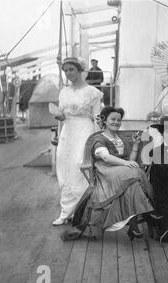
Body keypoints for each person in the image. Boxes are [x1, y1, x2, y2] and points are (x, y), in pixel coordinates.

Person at [60, 107, 154, 240]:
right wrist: (126, 163)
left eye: (119, 120)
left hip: (122, 173)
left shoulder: (120, 138)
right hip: (105, 172)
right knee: (135, 172)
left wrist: (135, 145)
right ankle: (149, 208)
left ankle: (133, 223)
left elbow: (130, 161)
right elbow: (106, 157)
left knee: (132, 180)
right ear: (105, 120)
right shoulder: (99, 138)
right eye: (113, 119)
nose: (116, 122)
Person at [52, 57, 103, 226]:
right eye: (65, 70)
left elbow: (97, 117)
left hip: (83, 130)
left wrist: (96, 140)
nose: (68, 73)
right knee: (64, 166)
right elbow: (61, 116)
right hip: (67, 131)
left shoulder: (92, 92)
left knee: (79, 166)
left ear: (80, 70)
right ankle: (66, 212)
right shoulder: (64, 92)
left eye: (71, 69)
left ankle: (81, 213)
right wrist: (59, 131)